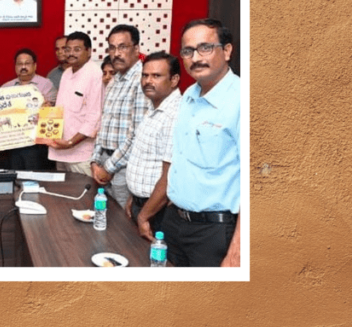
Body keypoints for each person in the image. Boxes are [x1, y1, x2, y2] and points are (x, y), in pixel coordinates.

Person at [166, 19, 241, 267]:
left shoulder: (242, 100)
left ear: (227, 51)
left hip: (215, 232)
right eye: (188, 51)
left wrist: (236, 252)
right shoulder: (189, 95)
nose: (196, 57)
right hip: (175, 223)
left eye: (205, 48)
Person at [125, 52, 182, 242]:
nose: (148, 81)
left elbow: (170, 177)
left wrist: (144, 215)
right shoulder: (154, 108)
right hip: (144, 205)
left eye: (156, 76)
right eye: (145, 75)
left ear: (174, 80)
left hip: (157, 213)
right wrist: (135, 196)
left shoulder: (174, 115)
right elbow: (145, 159)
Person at [90, 24, 147, 210]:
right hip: (104, 163)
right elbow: (104, 124)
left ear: (136, 49)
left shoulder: (143, 79)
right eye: (112, 48)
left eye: (122, 47)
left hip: (124, 168)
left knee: (125, 228)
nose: (116, 53)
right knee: (107, 222)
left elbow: (137, 134)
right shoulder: (114, 80)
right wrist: (94, 160)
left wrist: (109, 167)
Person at [48, 32, 103, 175]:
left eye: (77, 49)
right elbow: (64, 109)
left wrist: (71, 143)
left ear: (89, 51)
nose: (71, 53)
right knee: (62, 193)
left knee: (83, 195)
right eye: (68, 49)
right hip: (60, 150)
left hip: (81, 155)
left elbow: (94, 117)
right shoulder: (66, 73)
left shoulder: (94, 74)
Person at [1, 48, 56, 170]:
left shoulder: (46, 84)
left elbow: (51, 111)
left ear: (35, 66)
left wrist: (45, 108)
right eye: (20, 64)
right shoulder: (6, 87)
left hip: (36, 144)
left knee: (34, 178)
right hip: (13, 142)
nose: (23, 67)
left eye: (27, 63)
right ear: (15, 66)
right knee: (16, 176)